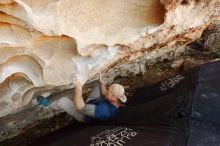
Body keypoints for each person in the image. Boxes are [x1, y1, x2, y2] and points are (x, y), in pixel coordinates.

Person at [37, 74, 127, 123]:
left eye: (108, 92)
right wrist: (101, 82)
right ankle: (81, 96)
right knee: (97, 85)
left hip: (84, 114)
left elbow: (80, 107)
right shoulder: (115, 101)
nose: (105, 91)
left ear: (114, 97)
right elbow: (104, 93)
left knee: (63, 101)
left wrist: (78, 89)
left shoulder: (103, 111)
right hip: (93, 103)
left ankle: (48, 105)